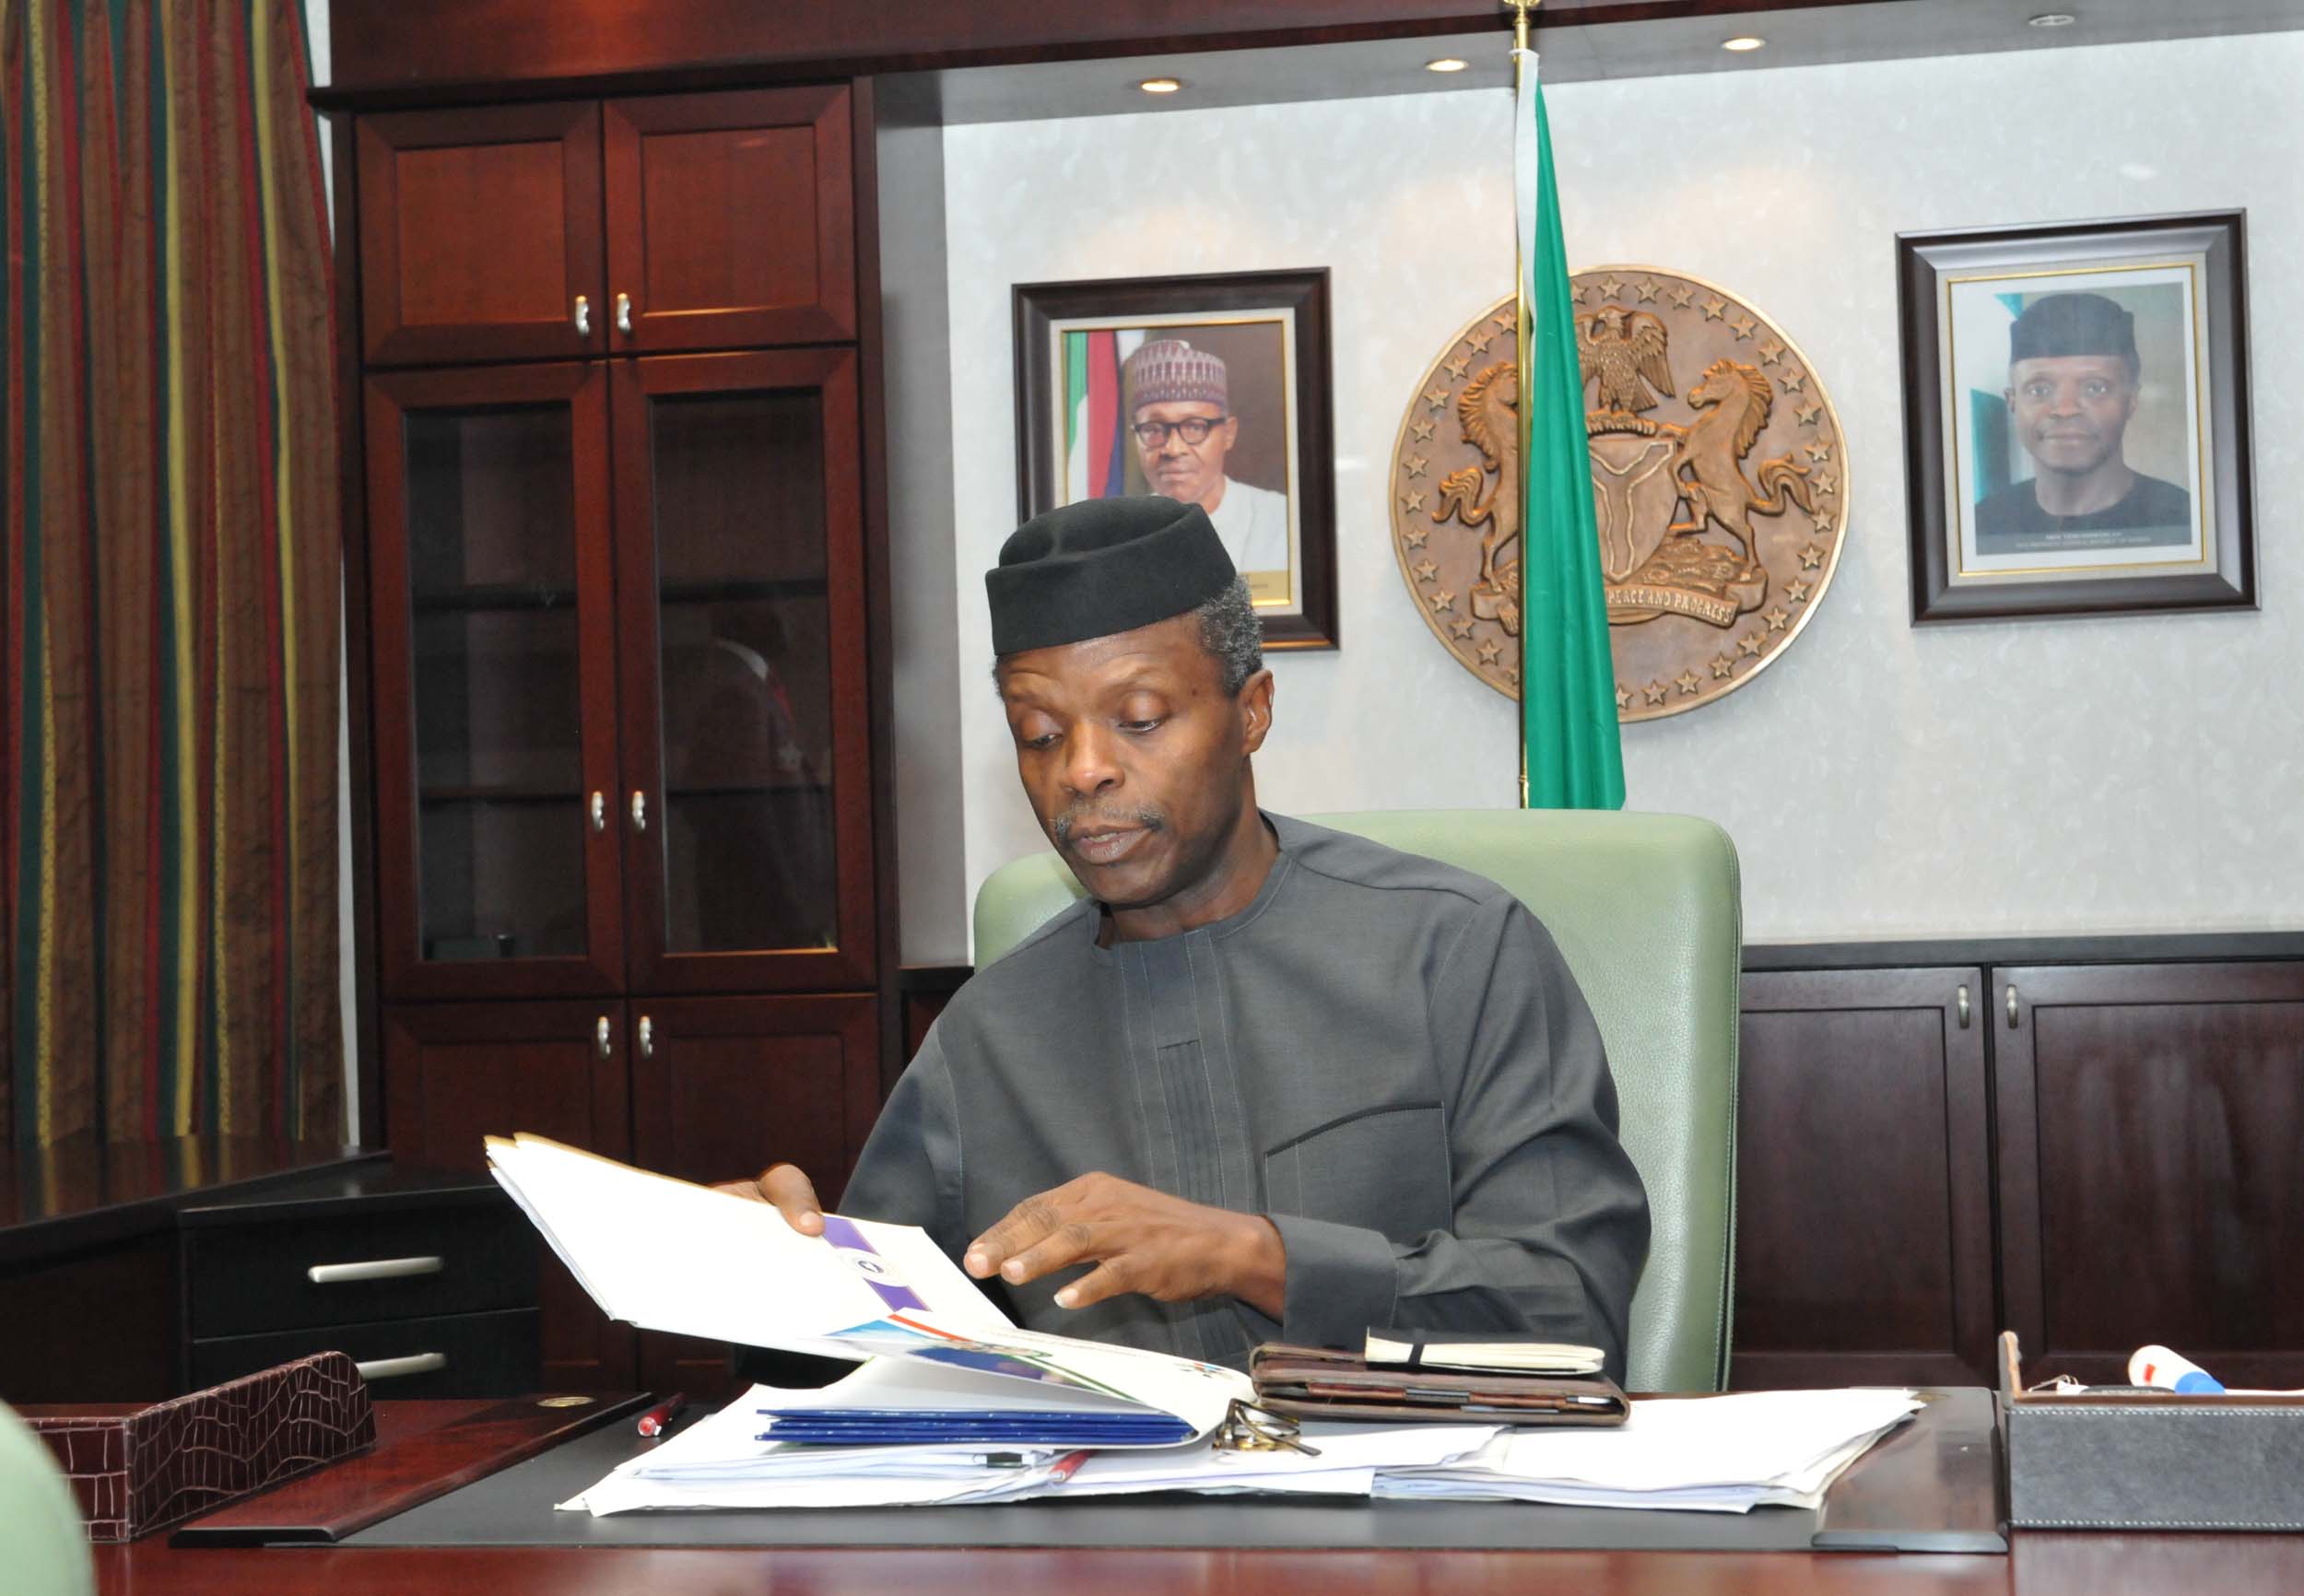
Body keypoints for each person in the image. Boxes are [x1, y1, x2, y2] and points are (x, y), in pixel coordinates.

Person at [723, 497, 1649, 1380]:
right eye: (1040, 735)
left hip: (1422, 1525)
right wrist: (754, 1271)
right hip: (1113, 1535)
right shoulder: (990, 1034)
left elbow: (1568, 1313)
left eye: (1139, 719)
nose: (1082, 771)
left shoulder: (1458, 951)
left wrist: (1252, 1253)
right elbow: (871, 1349)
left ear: (1251, 711)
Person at [1972, 291, 2192, 548]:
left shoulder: (2184, 520)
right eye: (2039, 390)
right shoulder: (1982, 526)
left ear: (2131, 399)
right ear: (2012, 401)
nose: (2065, 410)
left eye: (2095, 388)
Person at [1122, 337, 1290, 580]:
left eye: (1194, 426)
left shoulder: (1282, 524)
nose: (1173, 448)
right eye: (1153, 429)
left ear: (1228, 434)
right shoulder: (1119, 538)